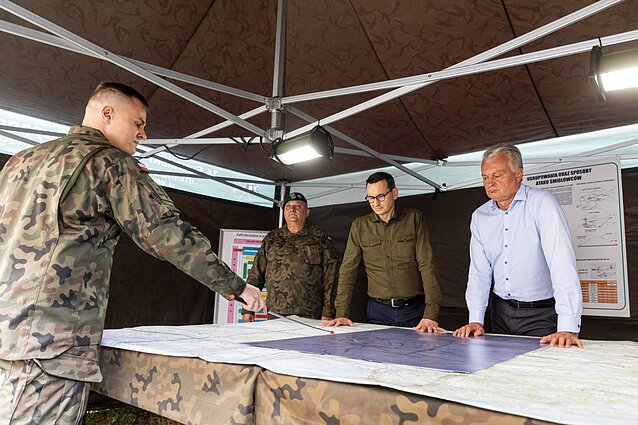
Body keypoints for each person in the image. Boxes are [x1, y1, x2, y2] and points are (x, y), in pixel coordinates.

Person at [0, 82, 266, 424]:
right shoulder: (109, 164)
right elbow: (168, 235)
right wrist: (238, 288)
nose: (143, 133)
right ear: (107, 114)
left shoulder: (21, 161)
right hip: (53, 344)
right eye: (137, 122)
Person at [453, 143, 584, 348]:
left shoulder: (542, 204)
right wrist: (475, 319)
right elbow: (479, 272)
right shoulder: (479, 216)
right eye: (485, 177)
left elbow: (562, 264)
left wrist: (567, 327)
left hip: (541, 315)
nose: (490, 183)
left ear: (518, 174)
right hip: (501, 313)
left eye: (497, 175)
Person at [323, 172, 443, 332]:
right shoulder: (360, 226)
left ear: (394, 193)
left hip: (414, 310)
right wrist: (342, 312)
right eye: (370, 198)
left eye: (380, 196)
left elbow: (427, 265)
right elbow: (348, 270)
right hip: (379, 311)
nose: (375, 203)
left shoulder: (414, 219)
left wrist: (431, 314)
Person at [242, 192, 340, 321]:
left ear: (307, 212)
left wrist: (328, 311)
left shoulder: (319, 237)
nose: (292, 209)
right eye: (288, 206)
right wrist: (247, 308)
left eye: (298, 206)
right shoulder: (272, 238)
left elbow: (331, 277)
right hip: (276, 312)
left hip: (310, 313)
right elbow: (256, 274)